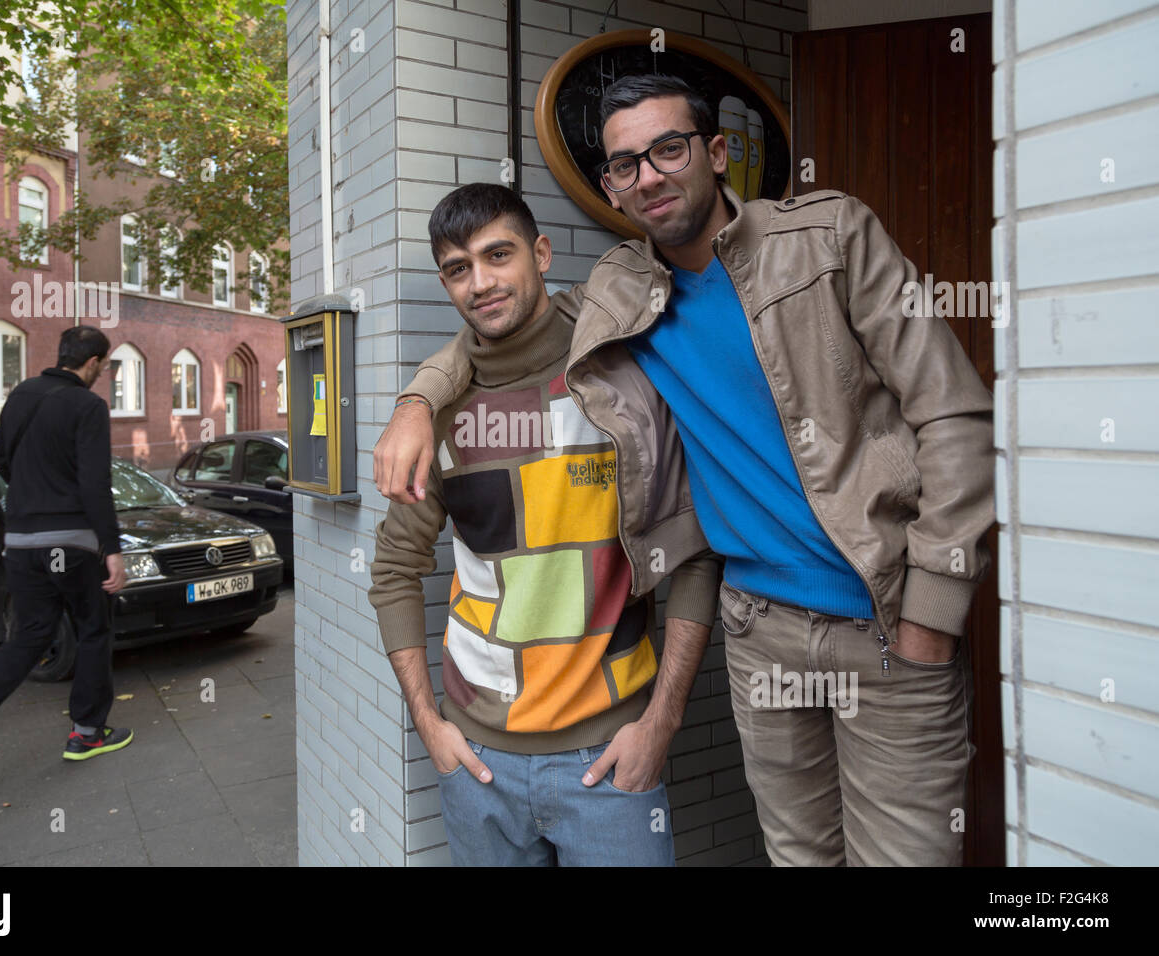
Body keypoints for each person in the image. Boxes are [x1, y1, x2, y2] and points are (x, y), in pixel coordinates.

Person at [373, 75, 996, 866]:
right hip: (758, 629)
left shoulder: (827, 236)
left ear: (715, 151)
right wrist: (417, 401)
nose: (650, 175)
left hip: (885, 620)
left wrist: (933, 615)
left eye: (668, 149)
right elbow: (496, 337)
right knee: (800, 856)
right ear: (610, 186)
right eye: (627, 163)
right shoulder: (624, 291)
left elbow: (955, 415)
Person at [368, 182, 722, 866]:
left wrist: (661, 721)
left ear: (541, 252)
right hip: (479, 766)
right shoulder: (439, 415)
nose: (481, 282)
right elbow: (392, 572)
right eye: (458, 268)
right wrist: (429, 725)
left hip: (612, 761)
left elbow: (694, 552)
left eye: (498, 255)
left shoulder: (623, 377)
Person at [0, 325, 132, 796]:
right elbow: (95, 483)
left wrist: (35, 495)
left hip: (20, 541)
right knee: (94, 627)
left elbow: (2, 461)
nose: (104, 373)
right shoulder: (88, 406)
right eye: (105, 365)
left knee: (28, 638)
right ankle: (86, 733)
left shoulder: (21, 395)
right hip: (71, 542)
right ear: (94, 362)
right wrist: (112, 547)